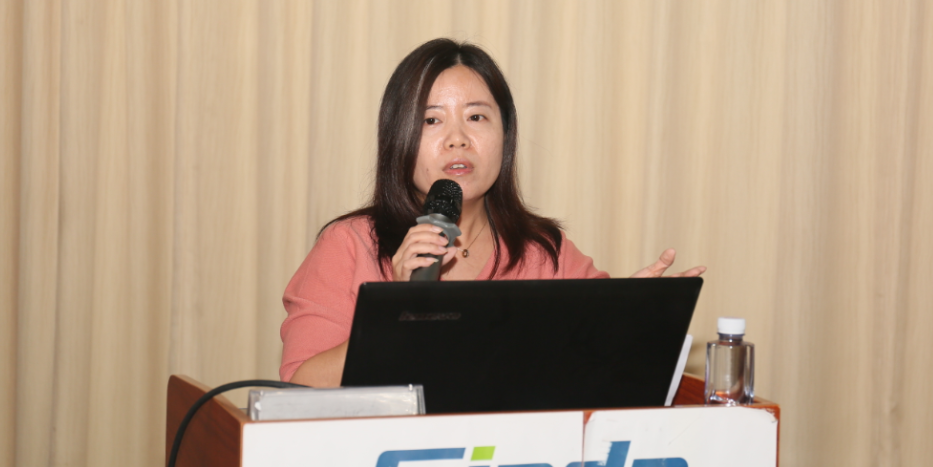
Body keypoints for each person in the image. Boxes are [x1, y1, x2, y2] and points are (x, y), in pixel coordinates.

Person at [280, 38, 705, 387]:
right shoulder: (351, 244)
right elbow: (300, 387)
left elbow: (600, 363)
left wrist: (633, 312)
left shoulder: (543, 253)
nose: (458, 139)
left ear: (505, 136)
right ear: (399, 138)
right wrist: (394, 307)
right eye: (431, 121)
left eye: (477, 117)